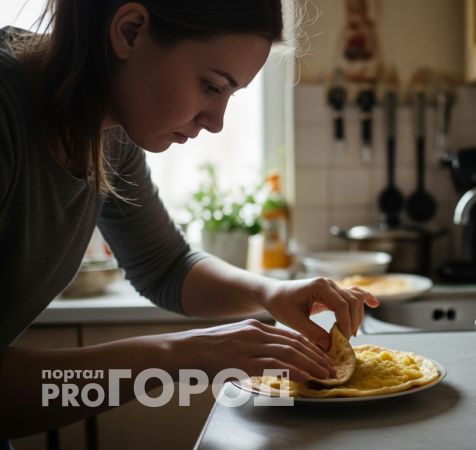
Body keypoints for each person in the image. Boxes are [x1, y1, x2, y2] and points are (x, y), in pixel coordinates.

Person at [0, 0, 379, 440]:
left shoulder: (108, 127)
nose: (217, 122)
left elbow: (166, 266)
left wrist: (272, 293)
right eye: (211, 86)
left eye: (229, 96)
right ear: (130, 31)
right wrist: (177, 354)